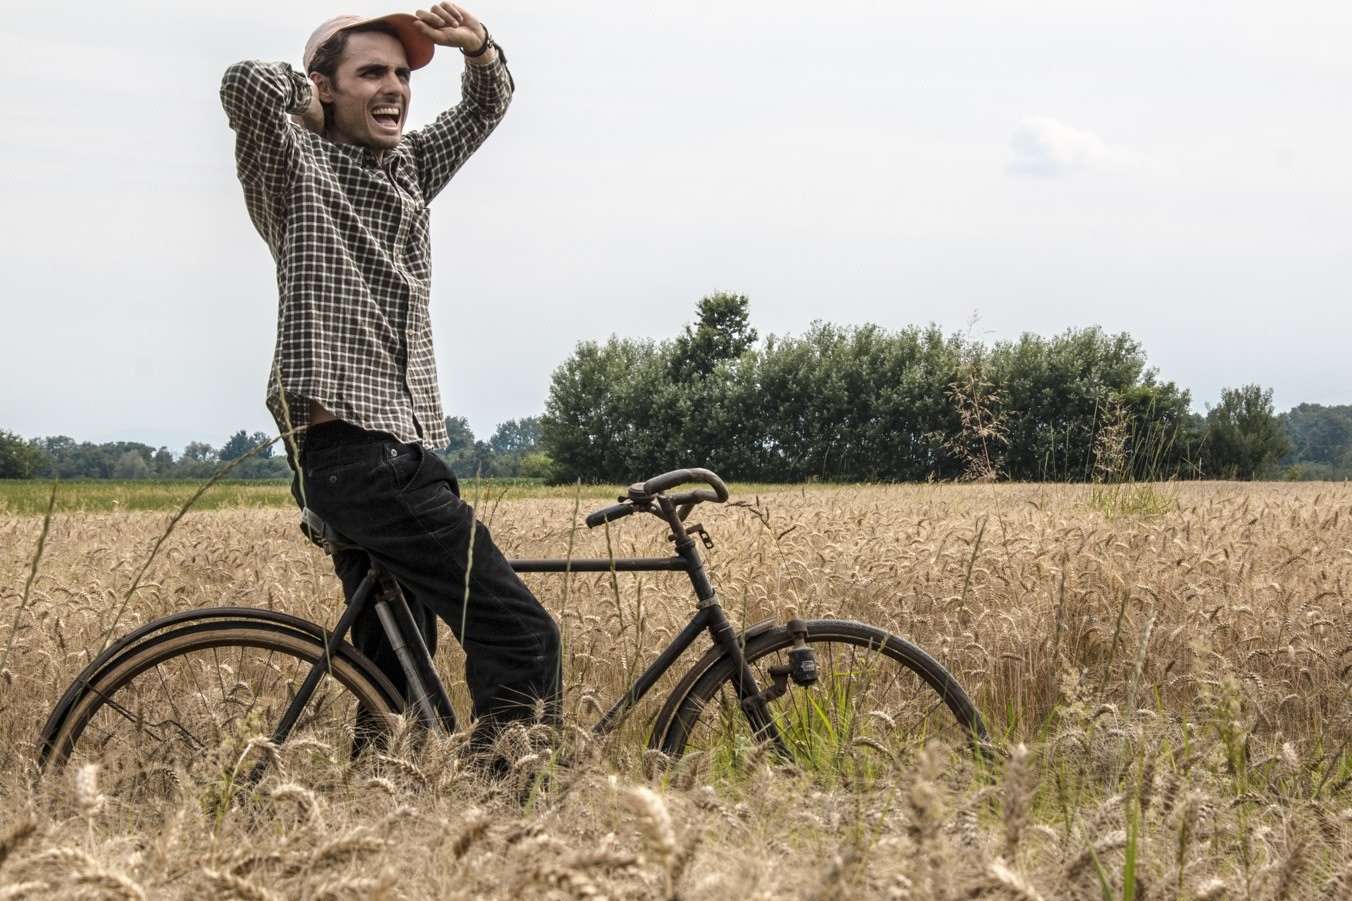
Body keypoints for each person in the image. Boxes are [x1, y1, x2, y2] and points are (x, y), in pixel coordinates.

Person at [220, 4, 561, 759]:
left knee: (395, 678)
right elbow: (243, 84)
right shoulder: (291, 166)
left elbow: (484, 107)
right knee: (522, 634)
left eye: (403, 75)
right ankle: (508, 818)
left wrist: (478, 48)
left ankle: (383, 823)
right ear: (325, 87)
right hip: (359, 454)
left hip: (395, 452)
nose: (395, 88)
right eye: (372, 72)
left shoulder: (406, 168)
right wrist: (303, 106)